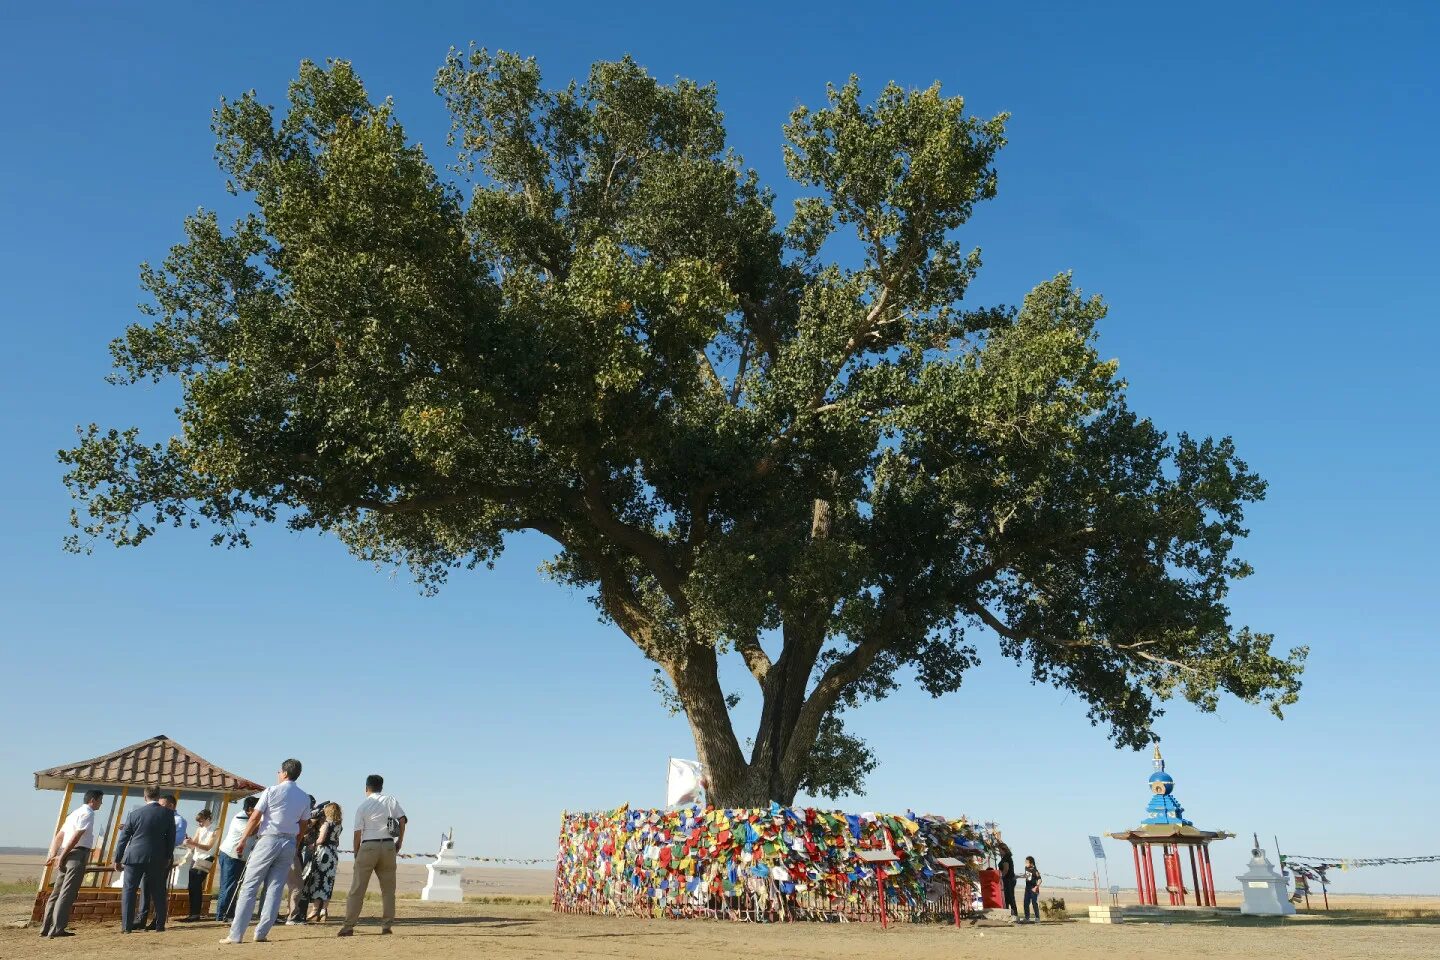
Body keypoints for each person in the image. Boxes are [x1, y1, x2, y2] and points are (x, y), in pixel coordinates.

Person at [219, 759, 310, 945]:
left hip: (269, 838)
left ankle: (236, 934)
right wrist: (295, 843)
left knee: (250, 885)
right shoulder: (304, 797)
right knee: (275, 888)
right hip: (289, 842)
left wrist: (243, 839)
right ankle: (261, 932)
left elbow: (255, 817)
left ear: (284, 773)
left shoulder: (272, 790)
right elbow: (303, 825)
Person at [336, 774, 407, 937]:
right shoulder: (390, 800)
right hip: (388, 845)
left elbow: (357, 834)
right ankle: (387, 925)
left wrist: (356, 854)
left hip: (368, 846)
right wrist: (400, 841)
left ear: (366, 788)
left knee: (358, 889)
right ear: (381, 787)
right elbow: (402, 820)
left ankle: (348, 926)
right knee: (388, 890)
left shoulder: (363, 806)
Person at [38, 789, 104, 938]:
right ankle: (57, 928)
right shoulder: (88, 813)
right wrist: (61, 856)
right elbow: (76, 836)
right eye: (100, 800)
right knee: (67, 893)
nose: (101, 804)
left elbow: (59, 836)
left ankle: (46, 927)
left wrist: (54, 854)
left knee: (57, 892)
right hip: (76, 854)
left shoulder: (74, 813)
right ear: (92, 800)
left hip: (66, 854)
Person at [113, 786, 176, 933]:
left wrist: (117, 858)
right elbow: (170, 839)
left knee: (129, 890)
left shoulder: (134, 814)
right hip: (157, 858)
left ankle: (126, 927)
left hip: (134, 857)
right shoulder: (167, 813)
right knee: (159, 891)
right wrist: (167, 857)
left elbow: (123, 838)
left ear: (144, 796)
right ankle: (159, 925)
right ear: (158, 796)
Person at [216, 797, 258, 922]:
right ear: (250, 809)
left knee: (234, 887)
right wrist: (262, 820)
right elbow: (250, 832)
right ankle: (222, 915)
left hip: (239, 858)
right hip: (230, 856)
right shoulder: (241, 818)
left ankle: (229, 914)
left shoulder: (249, 818)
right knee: (228, 886)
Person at [302, 803, 343, 922]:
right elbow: (337, 842)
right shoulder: (339, 825)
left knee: (318, 880)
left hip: (323, 853)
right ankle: (324, 910)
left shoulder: (326, 824)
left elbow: (321, 840)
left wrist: (311, 845)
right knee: (328, 881)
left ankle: (314, 910)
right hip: (333, 853)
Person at [181, 809, 218, 921]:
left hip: (206, 858)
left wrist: (193, 843)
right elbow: (194, 845)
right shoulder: (199, 829)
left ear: (208, 819)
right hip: (196, 857)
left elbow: (208, 847)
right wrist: (188, 842)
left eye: (201, 821)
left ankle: (195, 913)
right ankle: (193, 913)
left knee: (196, 885)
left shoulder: (216, 829)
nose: (200, 824)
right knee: (192, 886)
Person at [996, 842, 1018, 918]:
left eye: (999, 850)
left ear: (1003, 850)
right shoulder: (1006, 857)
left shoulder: (1006, 858)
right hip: (1009, 879)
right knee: (1007, 897)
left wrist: (1001, 877)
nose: (999, 852)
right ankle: (1009, 914)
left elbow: (1006, 869)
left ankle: (1014, 914)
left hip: (1008, 879)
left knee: (1010, 897)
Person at [1022, 855, 1042, 923]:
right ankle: (1027, 918)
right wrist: (1018, 876)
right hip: (1027, 889)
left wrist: (1036, 887)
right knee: (1025, 903)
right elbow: (1027, 876)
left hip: (1034, 889)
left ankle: (1037, 918)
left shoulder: (1035, 871)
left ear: (1031, 863)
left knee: (1034, 903)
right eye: (1025, 862)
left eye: (1027, 862)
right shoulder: (1026, 868)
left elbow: (1040, 880)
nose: (1025, 864)